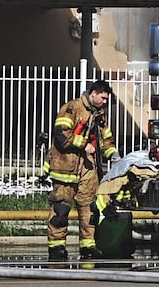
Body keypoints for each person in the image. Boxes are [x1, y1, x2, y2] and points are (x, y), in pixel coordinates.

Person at [44, 77, 118, 261]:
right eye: (103, 98)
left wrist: (114, 155)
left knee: (89, 209)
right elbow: (61, 135)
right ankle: (57, 247)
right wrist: (84, 145)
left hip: (87, 168)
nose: (105, 102)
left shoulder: (100, 113)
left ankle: (88, 246)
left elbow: (105, 138)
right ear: (93, 94)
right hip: (65, 166)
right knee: (61, 210)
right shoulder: (71, 108)